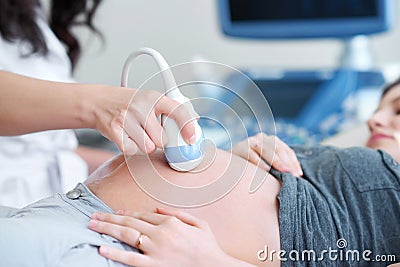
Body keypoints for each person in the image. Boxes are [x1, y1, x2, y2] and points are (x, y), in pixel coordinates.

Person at [1, 78, 400, 266]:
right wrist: (237, 161)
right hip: (82, 212)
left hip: (131, 254)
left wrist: (209, 262)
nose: (375, 119)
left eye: (398, 109)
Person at [0, 0, 197, 207]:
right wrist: (97, 104)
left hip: (54, 205)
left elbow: (44, 152)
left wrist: (138, 164)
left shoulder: (28, 14)